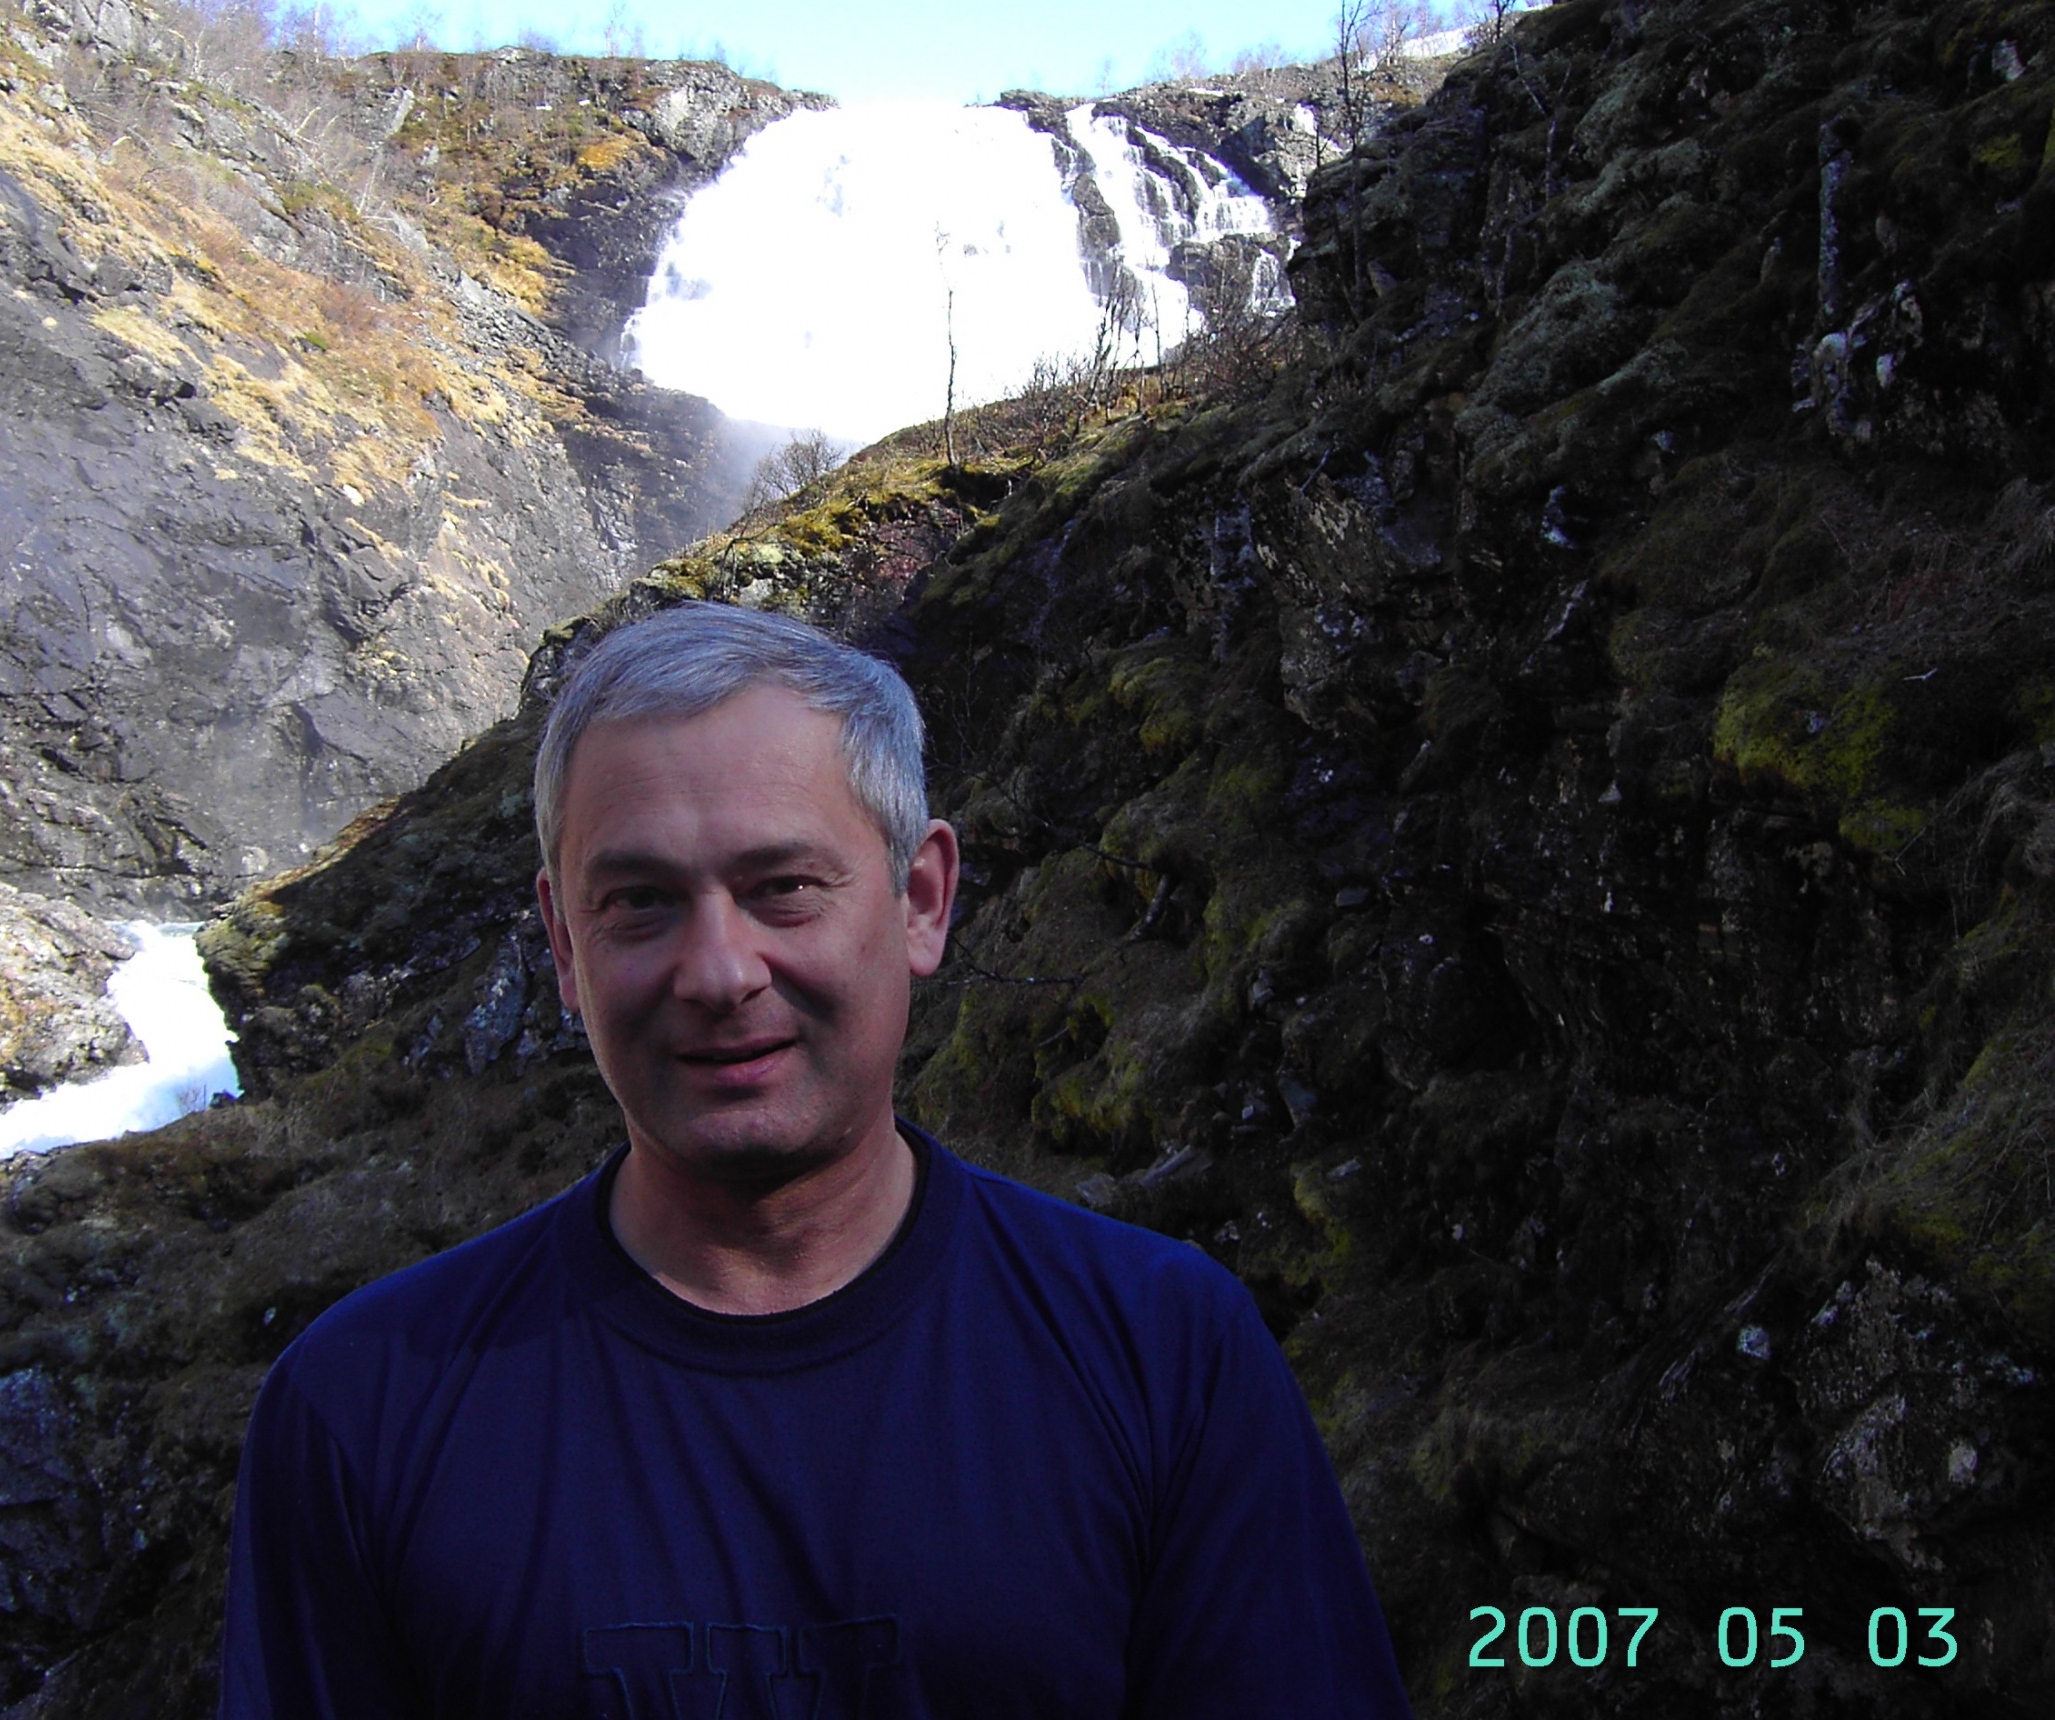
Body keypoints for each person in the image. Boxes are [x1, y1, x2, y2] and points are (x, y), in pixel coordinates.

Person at [220, 602, 1411, 1719]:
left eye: (783, 887)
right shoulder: (363, 1408)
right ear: (564, 948)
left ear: (921, 900)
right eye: (638, 902)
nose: (718, 972)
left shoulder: (1165, 1357)